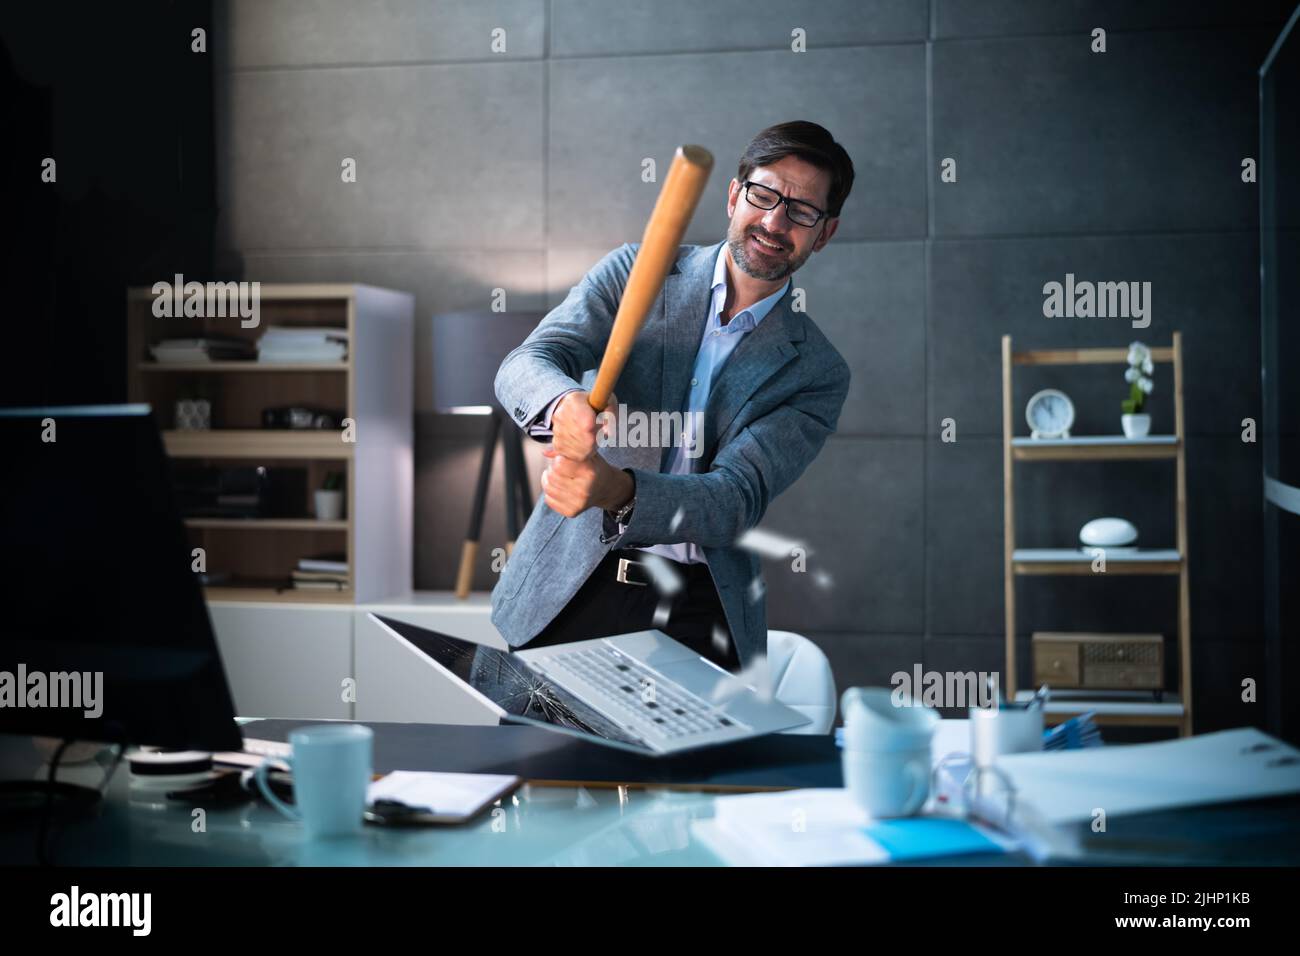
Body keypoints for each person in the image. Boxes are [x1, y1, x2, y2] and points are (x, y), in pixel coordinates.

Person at [491, 120, 853, 673]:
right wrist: (562, 404)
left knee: (678, 765)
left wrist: (617, 490)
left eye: (802, 212)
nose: (774, 221)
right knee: (542, 761)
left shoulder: (816, 371)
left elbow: (732, 500)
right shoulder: (635, 271)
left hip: (698, 613)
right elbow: (527, 363)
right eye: (763, 195)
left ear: (824, 233)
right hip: (569, 590)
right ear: (735, 195)